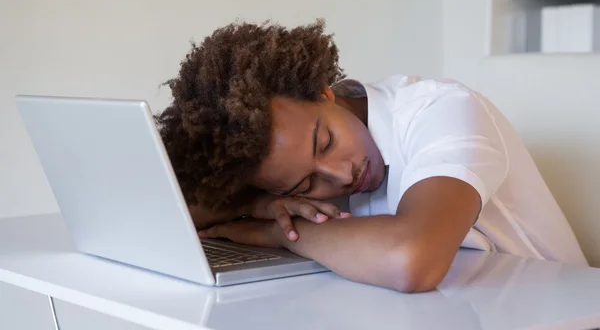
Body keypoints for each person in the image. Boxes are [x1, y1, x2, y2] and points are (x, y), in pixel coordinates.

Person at [154, 20, 588, 293]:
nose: (340, 175)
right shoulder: (280, 166)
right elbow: (170, 215)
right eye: (305, 185)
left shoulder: (443, 110)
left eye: (324, 142)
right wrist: (258, 204)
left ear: (323, 91)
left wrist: (280, 232)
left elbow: (412, 260)